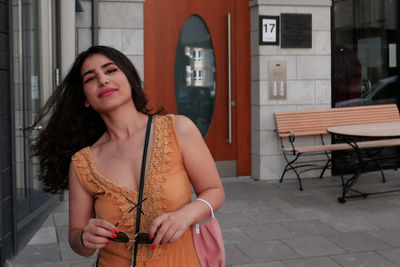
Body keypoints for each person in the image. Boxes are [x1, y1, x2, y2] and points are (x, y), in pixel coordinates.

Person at [31, 45, 225, 266]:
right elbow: (77, 240)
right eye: (90, 78)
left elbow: (215, 192)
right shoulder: (82, 163)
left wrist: (185, 215)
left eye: (110, 70)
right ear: (85, 99)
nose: (103, 80)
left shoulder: (179, 129)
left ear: (131, 79)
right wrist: (85, 238)